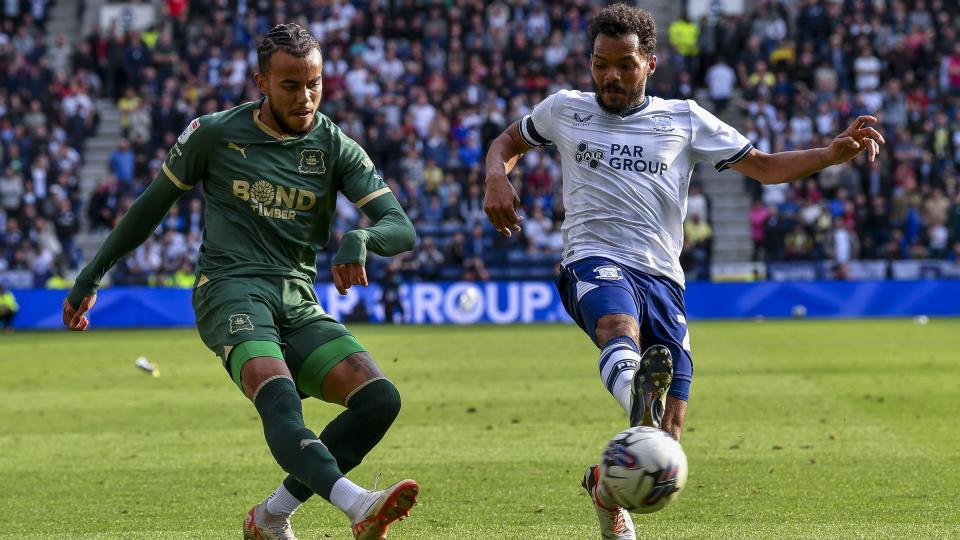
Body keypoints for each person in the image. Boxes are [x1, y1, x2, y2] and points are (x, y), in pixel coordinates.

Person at [482, 5, 884, 539]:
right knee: (616, 328)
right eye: (601, 64)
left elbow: (763, 167)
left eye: (625, 65)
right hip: (592, 257)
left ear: (650, 62)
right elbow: (508, 142)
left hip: (663, 279)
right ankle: (634, 395)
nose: (611, 76)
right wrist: (495, 176)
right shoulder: (564, 110)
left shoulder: (686, 118)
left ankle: (606, 488)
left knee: (666, 443)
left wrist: (829, 155)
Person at [62, 24, 420, 540]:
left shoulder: (335, 145)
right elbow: (148, 210)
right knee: (279, 399)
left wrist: (361, 239)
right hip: (228, 288)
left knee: (380, 399)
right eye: (290, 85)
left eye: (314, 83)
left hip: (297, 298)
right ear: (261, 82)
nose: (305, 97)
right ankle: (357, 504)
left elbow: (401, 227)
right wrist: (90, 276)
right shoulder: (214, 133)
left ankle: (271, 516)